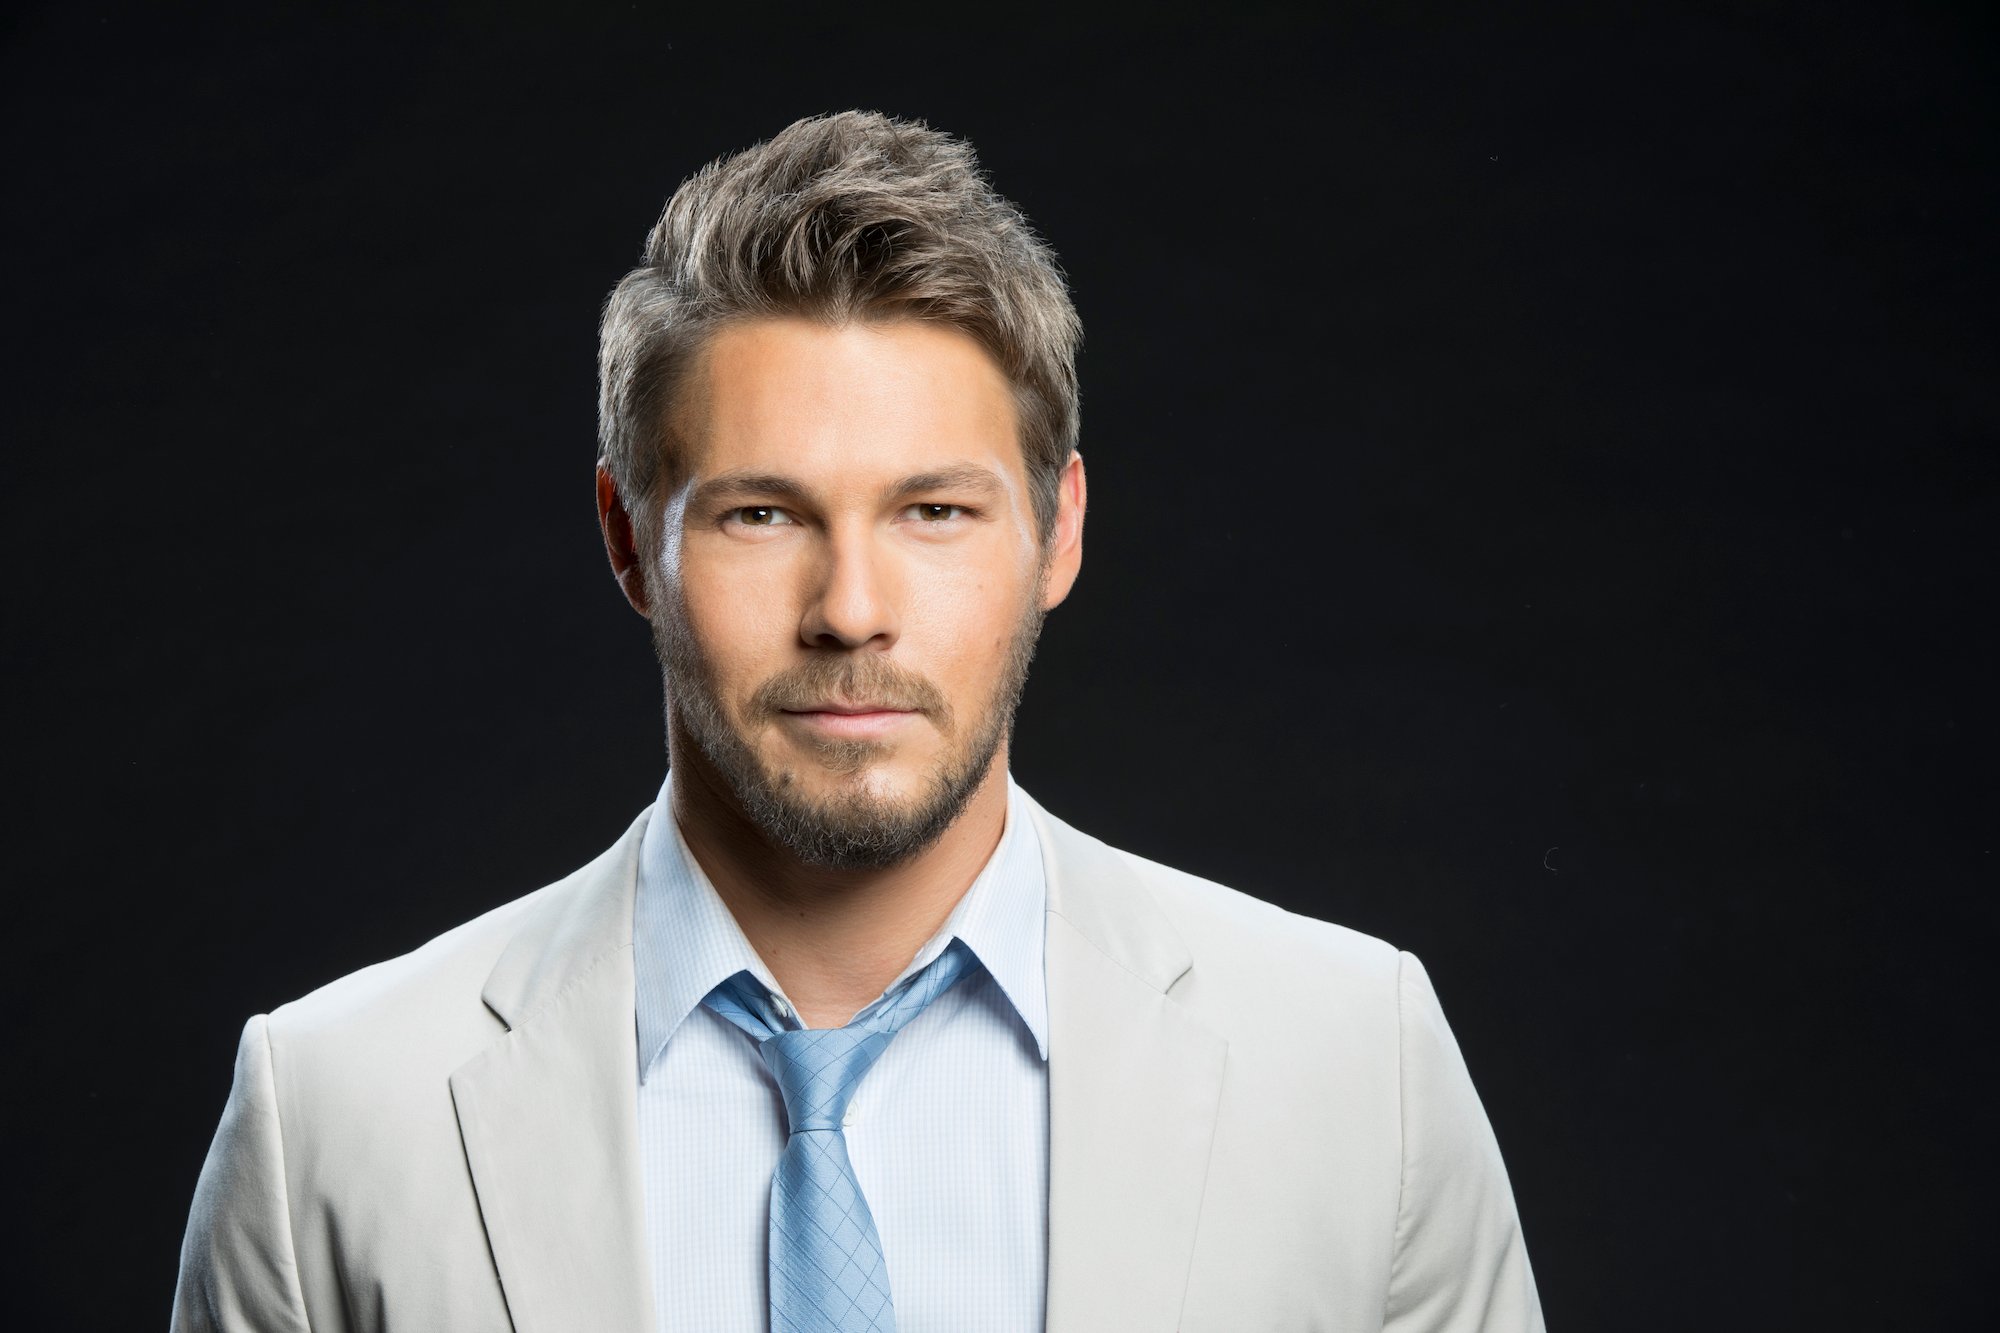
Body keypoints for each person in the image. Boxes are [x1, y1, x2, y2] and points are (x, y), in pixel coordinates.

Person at [172, 109, 1545, 1333]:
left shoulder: (1361, 1069)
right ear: (626, 539)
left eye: (934, 510)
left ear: (1058, 530)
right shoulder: (337, 1117)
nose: (850, 608)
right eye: (761, 513)